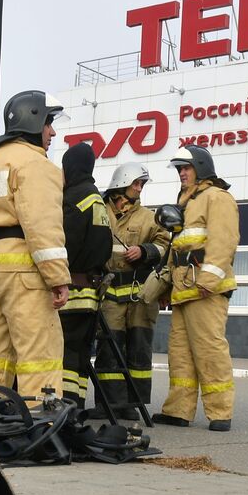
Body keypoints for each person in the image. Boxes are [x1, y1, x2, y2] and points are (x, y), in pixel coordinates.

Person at [0, 90, 69, 403]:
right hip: (23, 270)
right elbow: (41, 224)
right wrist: (58, 277)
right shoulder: (36, 164)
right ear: (33, 120)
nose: (52, 132)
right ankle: (42, 426)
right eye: (49, 123)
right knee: (40, 353)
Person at [153, 144, 238, 432]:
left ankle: (220, 412)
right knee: (180, 354)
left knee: (209, 351)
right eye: (179, 169)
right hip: (184, 291)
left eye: (186, 168)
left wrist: (209, 280)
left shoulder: (217, 197)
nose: (181, 173)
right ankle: (178, 410)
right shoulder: (186, 201)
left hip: (205, 291)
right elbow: (177, 251)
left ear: (201, 168)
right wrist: (166, 287)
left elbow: (224, 242)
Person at [94, 162, 169, 418]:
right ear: (121, 183)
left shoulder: (149, 217)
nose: (139, 188)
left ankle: (132, 405)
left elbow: (164, 245)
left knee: (138, 349)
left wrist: (146, 251)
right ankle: (108, 405)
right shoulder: (100, 210)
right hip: (110, 294)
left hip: (139, 296)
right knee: (109, 348)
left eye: (142, 184)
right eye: (136, 183)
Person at [55, 142, 112, 403]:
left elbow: (66, 245)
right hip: (91, 293)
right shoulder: (97, 199)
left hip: (72, 290)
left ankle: (64, 410)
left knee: (64, 353)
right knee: (79, 356)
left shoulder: (74, 199)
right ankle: (75, 406)